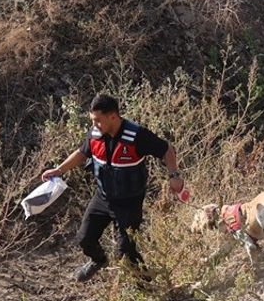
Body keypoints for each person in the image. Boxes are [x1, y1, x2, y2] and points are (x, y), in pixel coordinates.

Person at [41, 94, 183, 282]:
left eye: (98, 120)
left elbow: (166, 149)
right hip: (103, 197)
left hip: (129, 203)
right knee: (85, 239)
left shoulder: (136, 135)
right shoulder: (95, 134)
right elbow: (82, 153)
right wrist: (59, 170)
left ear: (113, 117)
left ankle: (149, 289)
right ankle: (99, 260)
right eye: (93, 120)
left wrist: (174, 175)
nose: (95, 125)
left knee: (126, 254)